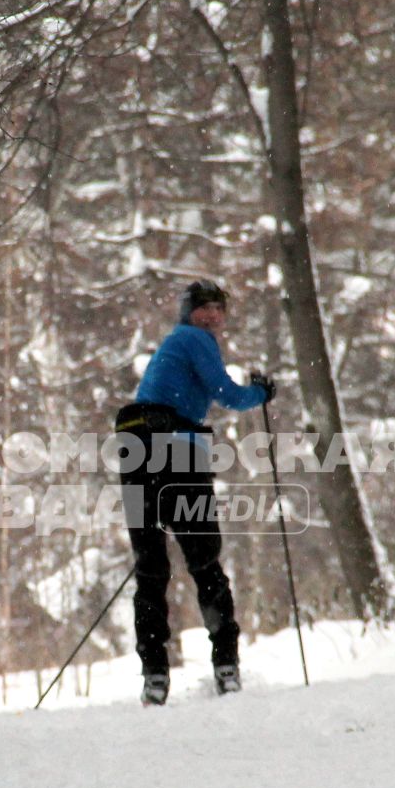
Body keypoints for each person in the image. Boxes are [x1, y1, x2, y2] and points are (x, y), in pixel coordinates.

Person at [114, 280, 275, 705]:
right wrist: (261, 391)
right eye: (202, 308)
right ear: (188, 314)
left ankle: (154, 676)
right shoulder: (193, 338)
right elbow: (229, 394)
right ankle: (226, 666)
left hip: (134, 447)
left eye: (217, 309)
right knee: (204, 563)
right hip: (177, 450)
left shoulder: (177, 343)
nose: (211, 316)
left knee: (150, 569)